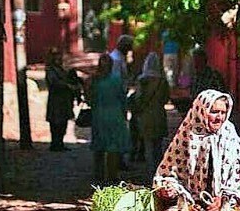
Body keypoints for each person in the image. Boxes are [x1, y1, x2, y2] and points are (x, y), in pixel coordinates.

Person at [89, 54, 131, 183]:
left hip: (98, 115)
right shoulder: (116, 79)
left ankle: (98, 174)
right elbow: (122, 97)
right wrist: (124, 114)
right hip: (115, 115)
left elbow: (90, 98)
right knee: (113, 147)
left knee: (99, 146)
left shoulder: (94, 80)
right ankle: (112, 175)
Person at [131, 52, 170, 180]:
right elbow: (166, 98)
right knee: (158, 147)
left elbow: (138, 99)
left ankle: (151, 172)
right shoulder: (162, 81)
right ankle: (159, 172)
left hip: (145, 117)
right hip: (159, 115)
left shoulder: (142, 80)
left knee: (148, 146)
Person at [45, 48, 81, 151]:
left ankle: (60, 143)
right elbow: (54, 82)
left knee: (63, 122)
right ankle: (55, 143)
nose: (58, 57)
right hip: (56, 99)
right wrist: (68, 86)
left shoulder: (61, 69)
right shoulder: (50, 69)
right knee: (56, 122)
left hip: (64, 99)